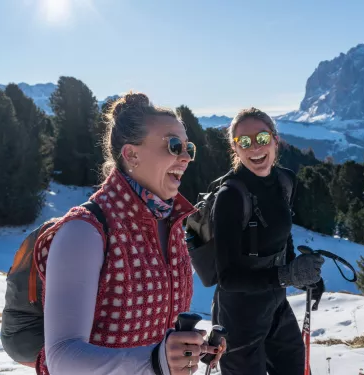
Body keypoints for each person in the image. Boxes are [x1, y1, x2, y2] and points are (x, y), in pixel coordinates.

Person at [32, 92, 224, 375]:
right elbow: (61, 357)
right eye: (173, 145)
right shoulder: (85, 230)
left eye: (188, 148)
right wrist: (155, 361)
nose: (186, 158)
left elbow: (158, 335)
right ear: (131, 154)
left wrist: (192, 348)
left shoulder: (171, 224)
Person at [211, 107, 325, 375]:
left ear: (275, 140)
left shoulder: (285, 181)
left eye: (261, 138)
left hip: (275, 306)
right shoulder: (231, 196)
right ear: (235, 149)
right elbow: (227, 278)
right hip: (238, 317)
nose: (255, 148)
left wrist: (304, 275)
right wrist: (287, 275)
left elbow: (282, 239)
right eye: (244, 142)